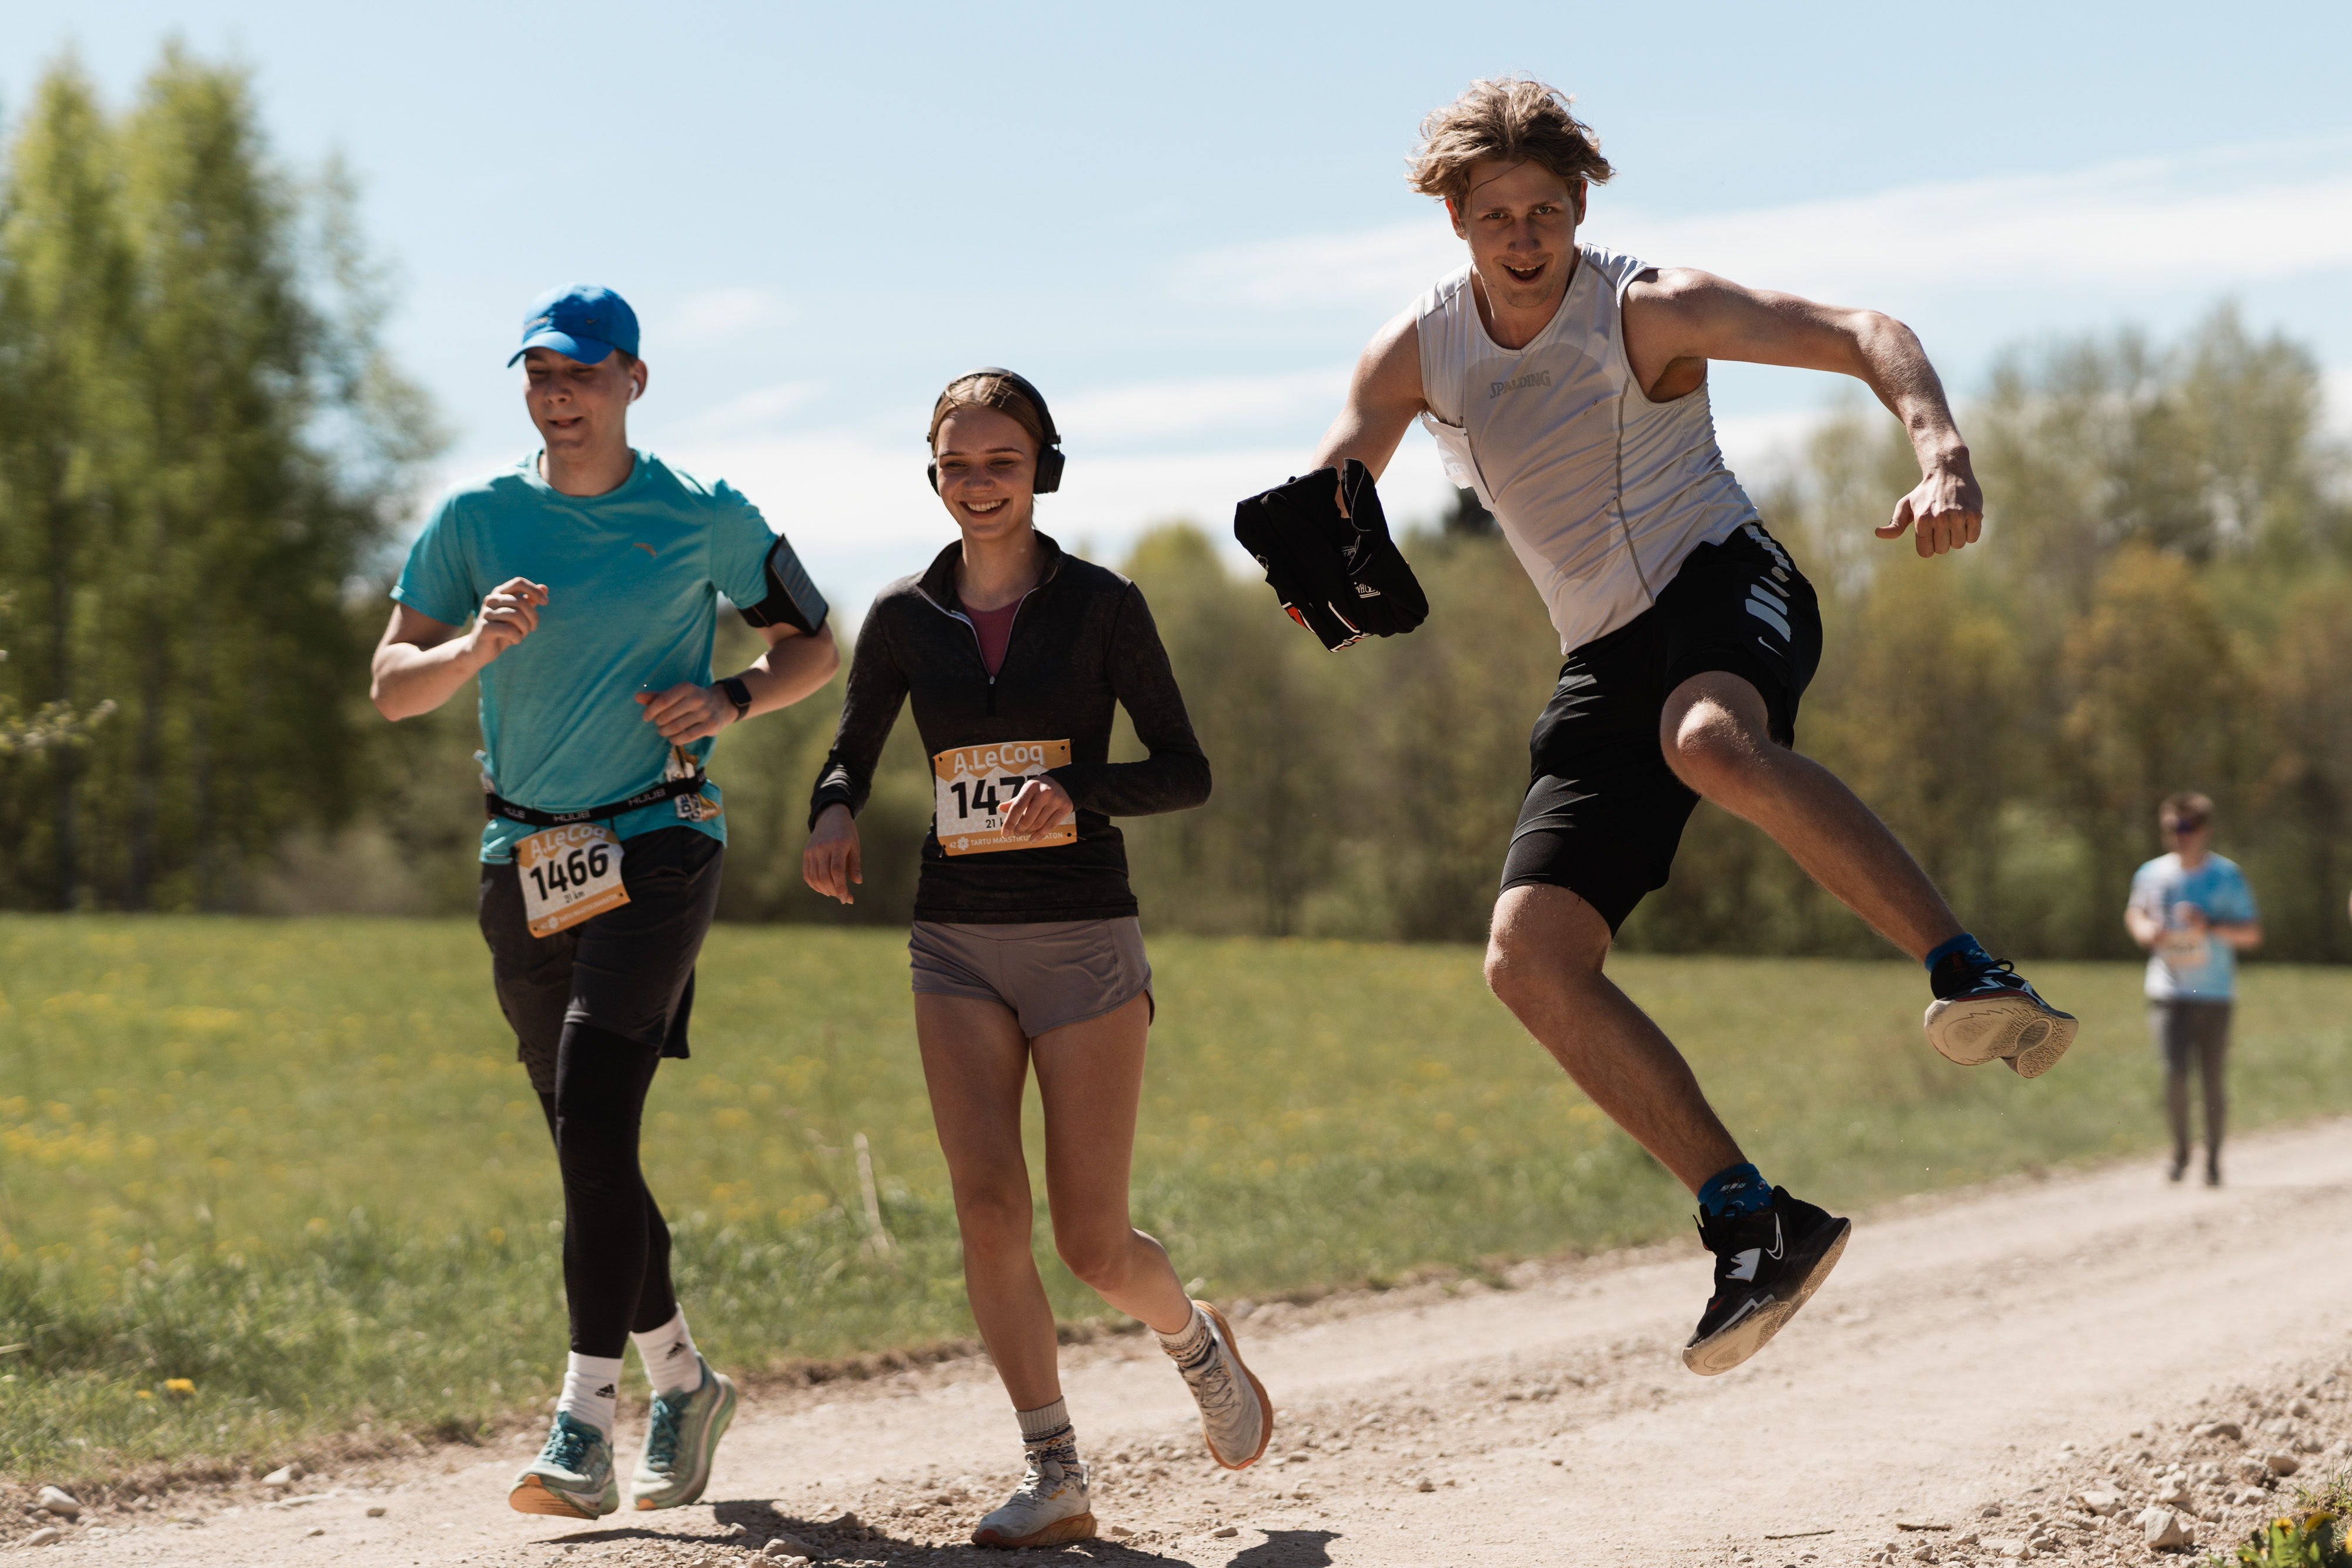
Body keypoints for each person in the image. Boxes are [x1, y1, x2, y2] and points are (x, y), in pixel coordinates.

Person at [1300, 76, 2080, 1376]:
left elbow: (1861, 327)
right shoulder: (1413, 352)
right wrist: (1317, 559)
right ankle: (1749, 1217)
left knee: (1709, 741)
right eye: (1496, 213)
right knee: (1527, 957)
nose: (1525, 236)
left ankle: (1966, 968)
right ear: (1453, 218)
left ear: (1579, 203)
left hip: (1723, 580)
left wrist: (1938, 448)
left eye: (1547, 208)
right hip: (1602, 654)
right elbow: (1335, 486)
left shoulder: (1643, 305)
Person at [370, 283, 837, 1517]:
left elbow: (815, 643)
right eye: (537, 374)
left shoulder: (701, 515)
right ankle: (683, 1378)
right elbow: (391, 686)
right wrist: (471, 650)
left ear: (634, 379)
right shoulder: (475, 519)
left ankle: (583, 1416)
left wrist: (735, 698)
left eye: (579, 372)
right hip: (522, 862)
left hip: (658, 839)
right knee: (588, 1141)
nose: (556, 393)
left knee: (591, 1112)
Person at [802, 370, 1268, 1549]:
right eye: (956, 465)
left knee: (1091, 1240)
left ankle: (1196, 1345)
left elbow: (1186, 769)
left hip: (1081, 940)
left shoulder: (1102, 605)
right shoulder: (905, 614)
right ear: (933, 476)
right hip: (952, 937)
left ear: (1041, 467)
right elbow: (847, 748)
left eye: (1000, 461)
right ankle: (1053, 1468)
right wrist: (833, 811)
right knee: (985, 1210)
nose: (978, 484)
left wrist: (1075, 789)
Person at [2125, 793, 2260, 1186]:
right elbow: (2134, 911)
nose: (2177, 836)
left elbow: (2252, 934)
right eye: (2170, 827)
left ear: (2204, 830)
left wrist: (2211, 926)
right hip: (2167, 990)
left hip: (2215, 992)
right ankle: (2181, 1150)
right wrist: (2144, 930)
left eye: (2184, 827)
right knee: (2174, 1074)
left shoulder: (2227, 875)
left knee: (2212, 1079)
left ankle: (2215, 1159)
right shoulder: (2151, 873)